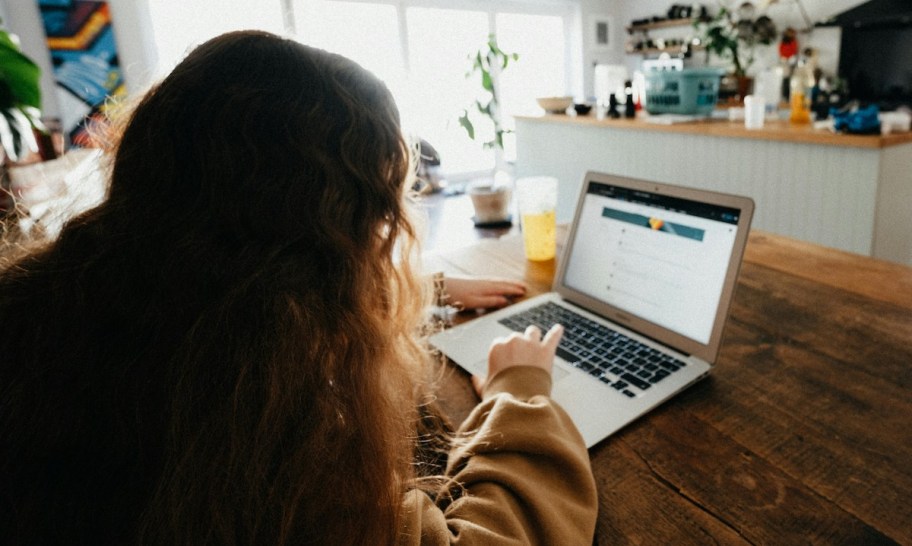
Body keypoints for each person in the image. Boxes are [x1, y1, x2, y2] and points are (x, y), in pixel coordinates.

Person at [0, 31, 597, 545]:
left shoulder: (62, 310)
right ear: (323, 248)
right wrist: (521, 391)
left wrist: (430, 286)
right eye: (371, 220)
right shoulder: (257, 428)